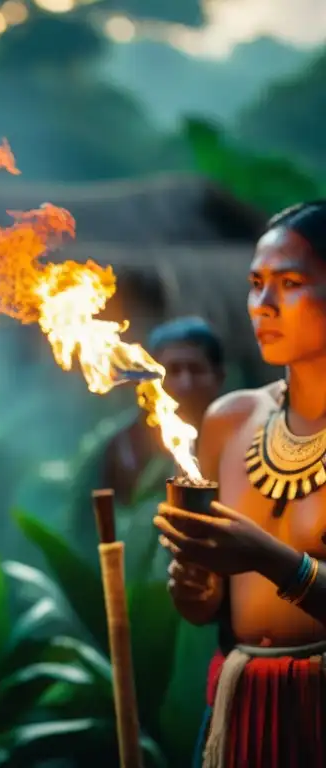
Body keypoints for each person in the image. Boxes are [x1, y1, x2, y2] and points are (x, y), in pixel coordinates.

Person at [154, 201, 326, 766]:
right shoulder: (230, 421)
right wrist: (194, 583)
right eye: (255, 284)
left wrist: (271, 559)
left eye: (290, 283)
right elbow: (204, 609)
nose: (263, 305)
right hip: (239, 705)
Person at [103, 316, 226, 506]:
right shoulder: (124, 445)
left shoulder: (239, 435)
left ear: (218, 376)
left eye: (196, 369)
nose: (186, 383)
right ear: (151, 381)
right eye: (174, 371)